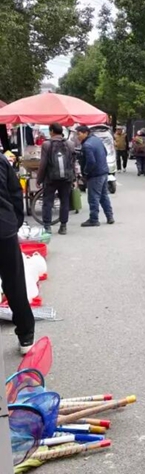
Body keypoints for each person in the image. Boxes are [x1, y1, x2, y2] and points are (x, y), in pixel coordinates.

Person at [0, 148, 36, 354]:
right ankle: (25, 337)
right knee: (14, 283)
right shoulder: (1, 160)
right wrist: (14, 222)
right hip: (4, 229)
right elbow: (15, 193)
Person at [37, 123, 77, 235]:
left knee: (47, 202)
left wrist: (39, 179)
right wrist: (74, 178)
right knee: (65, 201)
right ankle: (63, 226)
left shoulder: (46, 144)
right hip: (67, 178)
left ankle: (47, 227)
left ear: (51, 131)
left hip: (50, 179)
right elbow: (73, 163)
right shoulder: (70, 144)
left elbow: (43, 164)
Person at [75, 126, 115, 227]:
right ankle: (109, 216)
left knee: (93, 197)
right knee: (104, 196)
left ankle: (94, 219)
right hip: (104, 171)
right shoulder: (96, 140)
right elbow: (105, 152)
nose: (77, 136)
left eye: (79, 134)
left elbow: (91, 161)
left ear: (85, 133)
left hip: (95, 174)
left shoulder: (87, 145)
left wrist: (86, 172)